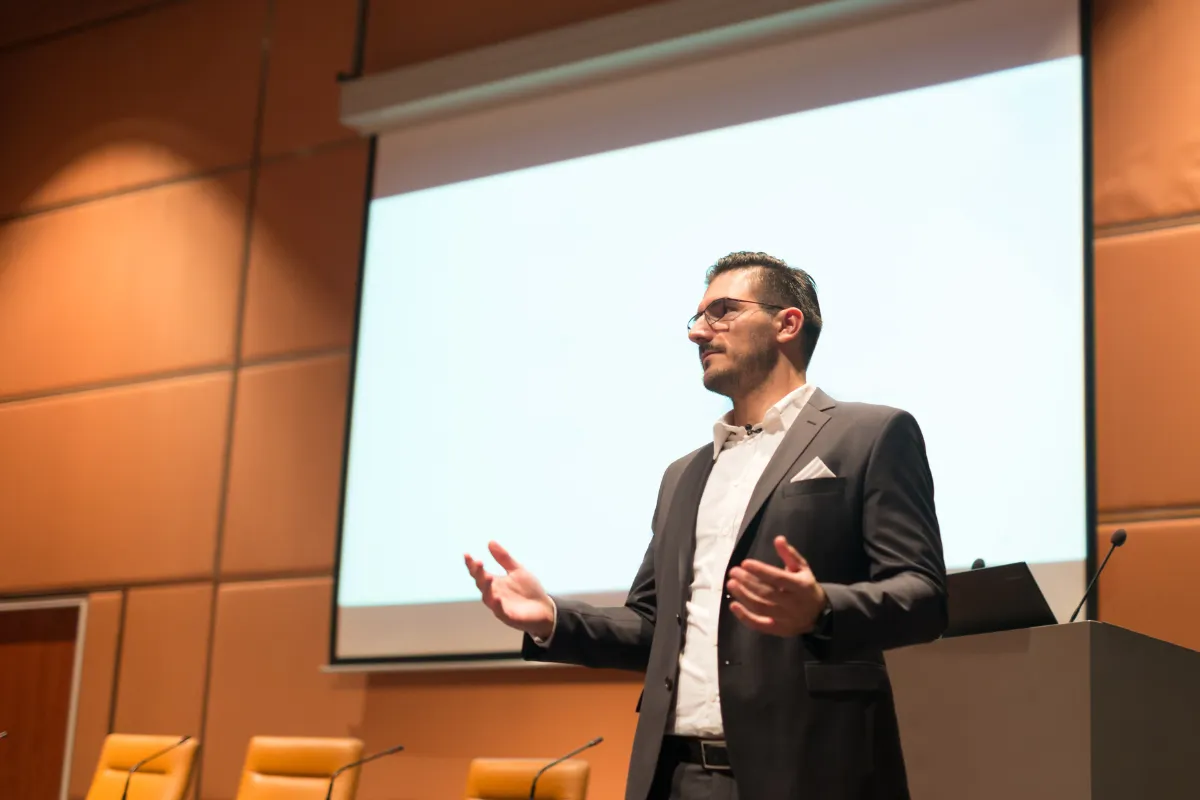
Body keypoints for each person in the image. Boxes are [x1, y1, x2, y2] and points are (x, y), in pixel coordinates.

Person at [464, 251, 947, 800]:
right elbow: (654, 627)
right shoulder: (683, 474)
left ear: (787, 323)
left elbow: (923, 597)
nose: (698, 333)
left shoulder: (870, 434)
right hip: (678, 777)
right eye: (696, 318)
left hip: (812, 770)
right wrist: (552, 618)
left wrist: (822, 608)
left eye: (721, 311)